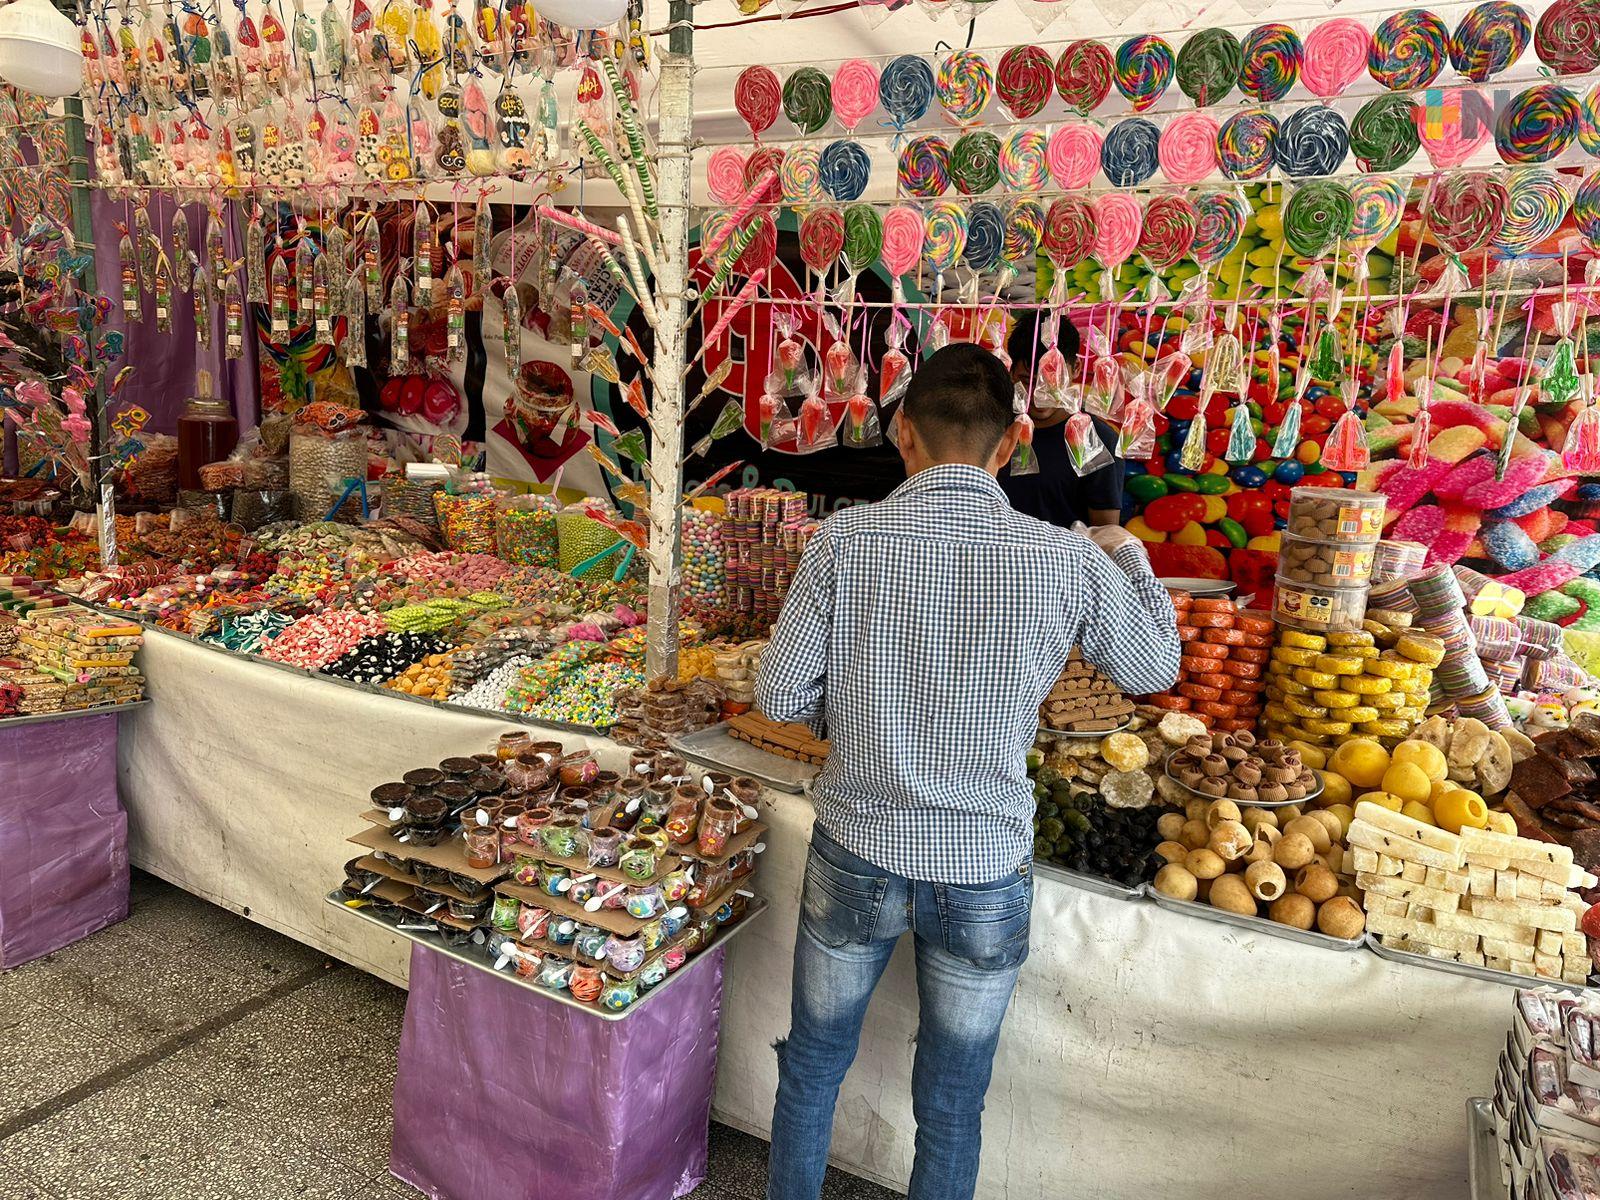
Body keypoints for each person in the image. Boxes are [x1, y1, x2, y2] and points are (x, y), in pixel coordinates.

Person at [756, 343, 1182, 1200]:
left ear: (902, 434)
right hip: (984, 864)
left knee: (812, 1069)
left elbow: (777, 692)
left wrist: (850, 712)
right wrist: (1122, 550)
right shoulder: (1062, 558)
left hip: (858, 846)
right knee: (952, 1104)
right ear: (1013, 441)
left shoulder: (846, 539)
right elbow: (1150, 665)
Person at [997, 312, 1125, 529]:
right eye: (1028, 381)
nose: (1040, 393)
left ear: (1076, 369)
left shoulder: (1096, 441)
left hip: (1063, 562)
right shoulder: (989, 429)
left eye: (1053, 381)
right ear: (1010, 372)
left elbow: (1105, 535)